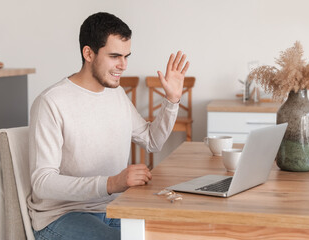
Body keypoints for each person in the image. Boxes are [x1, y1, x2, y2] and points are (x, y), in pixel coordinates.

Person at [28, 12, 189, 240]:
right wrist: (111, 183)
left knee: (169, 233)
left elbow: (152, 141)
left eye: (126, 56)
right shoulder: (51, 102)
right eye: (115, 56)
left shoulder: (116, 94)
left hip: (112, 208)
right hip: (62, 215)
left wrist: (172, 100)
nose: (122, 65)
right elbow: (42, 183)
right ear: (88, 53)